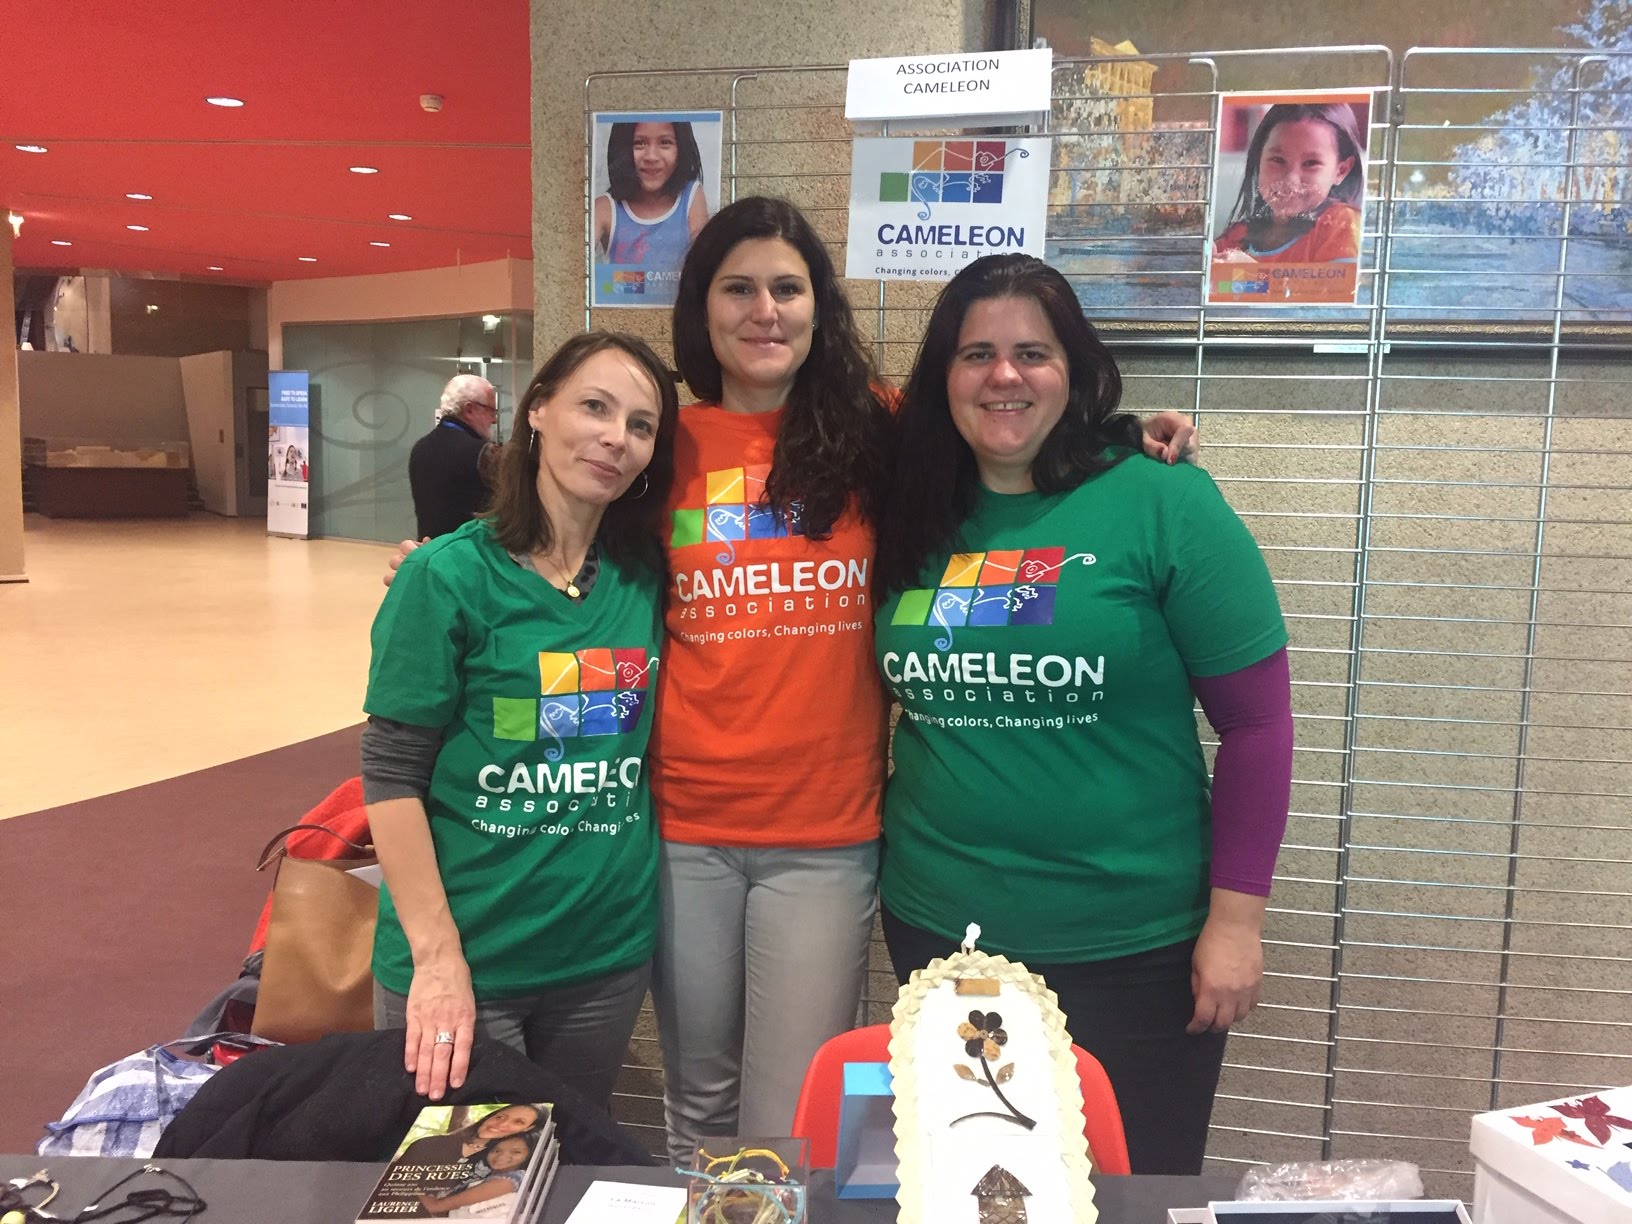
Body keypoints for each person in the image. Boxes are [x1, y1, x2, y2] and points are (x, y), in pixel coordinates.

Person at [649, 197, 1201, 1164]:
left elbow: (1004, 415)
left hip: (825, 831)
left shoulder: (875, 429)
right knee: (697, 1096)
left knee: (792, 1116)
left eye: (789, 288)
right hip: (682, 823)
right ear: (702, 309)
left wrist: (1119, 437)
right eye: (738, 288)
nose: (765, 310)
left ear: (822, 308)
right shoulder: (666, 444)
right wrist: (441, 562)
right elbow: (562, 514)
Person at [871, 253, 1294, 1176]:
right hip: (945, 938)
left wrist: (1237, 923)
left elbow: (1260, 727)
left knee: (1131, 1188)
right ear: (943, 375)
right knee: (977, 1190)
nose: (1005, 375)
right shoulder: (907, 506)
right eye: (976, 353)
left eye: (1034, 351)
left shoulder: (1162, 499)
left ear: (1077, 369)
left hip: (1135, 949)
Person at [363, 332, 678, 1111]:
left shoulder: (644, 580)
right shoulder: (445, 577)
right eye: (595, 407)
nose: (616, 437)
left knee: (565, 1167)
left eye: (641, 425)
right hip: (467, 963)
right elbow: (391, 778)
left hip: (601, 961)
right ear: (537, 410)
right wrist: (437, 962)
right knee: (460, 1191)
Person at [1212, 102, 1365, 266]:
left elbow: (1337, 291)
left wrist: (1254, 277)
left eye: (1311, 163)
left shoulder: (1342, 225)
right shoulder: (1238, 237)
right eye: (1278, 160)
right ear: (1259, 160)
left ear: (1341, 171)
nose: (1290, 179)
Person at [593, 120, 709, 305]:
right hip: (622, 317)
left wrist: (632, 280)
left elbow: (703, 270)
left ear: (681, 148)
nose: (651, 156)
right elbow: (582, 276)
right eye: (639, 143)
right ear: (621, 149)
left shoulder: (692, 196)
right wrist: (656, 281)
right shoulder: (605, 207)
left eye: (665, 142)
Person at [409, 374, 500, 540]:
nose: (494, 419)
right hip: (470, 557)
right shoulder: (483, 453)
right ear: (469, 409)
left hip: (432, 553)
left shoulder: (420, 447)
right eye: (491, 411)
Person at [418, 1130, 537, 1218]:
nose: (502, 1156)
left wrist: (410, 1186)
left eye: (516, 1152)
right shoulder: (484, 1174)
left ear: (530, 1155)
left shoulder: (511, 1180)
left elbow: (436, 1206)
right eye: (496, 1150)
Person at [396, 1103, 543, 1164]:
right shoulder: (429, 1144)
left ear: (528, 1129)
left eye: (518, 1122)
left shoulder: (504, 1159)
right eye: (500, 1116)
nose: (502, 1124)